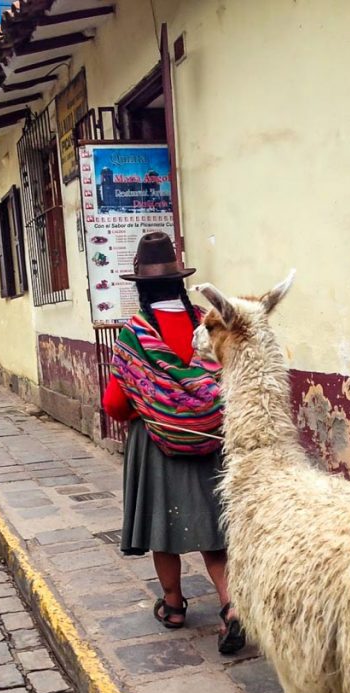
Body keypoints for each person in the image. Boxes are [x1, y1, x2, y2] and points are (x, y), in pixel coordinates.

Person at [102, 231, 245, 654]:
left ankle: (173, 605)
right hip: (208, 440)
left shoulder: (136, 334)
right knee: (214, 534)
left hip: (155, 446)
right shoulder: (207, 324)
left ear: (141, 287)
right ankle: (232, 605)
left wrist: (152, 405)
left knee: (163, 531)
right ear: (180, 281)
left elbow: (113, 403)